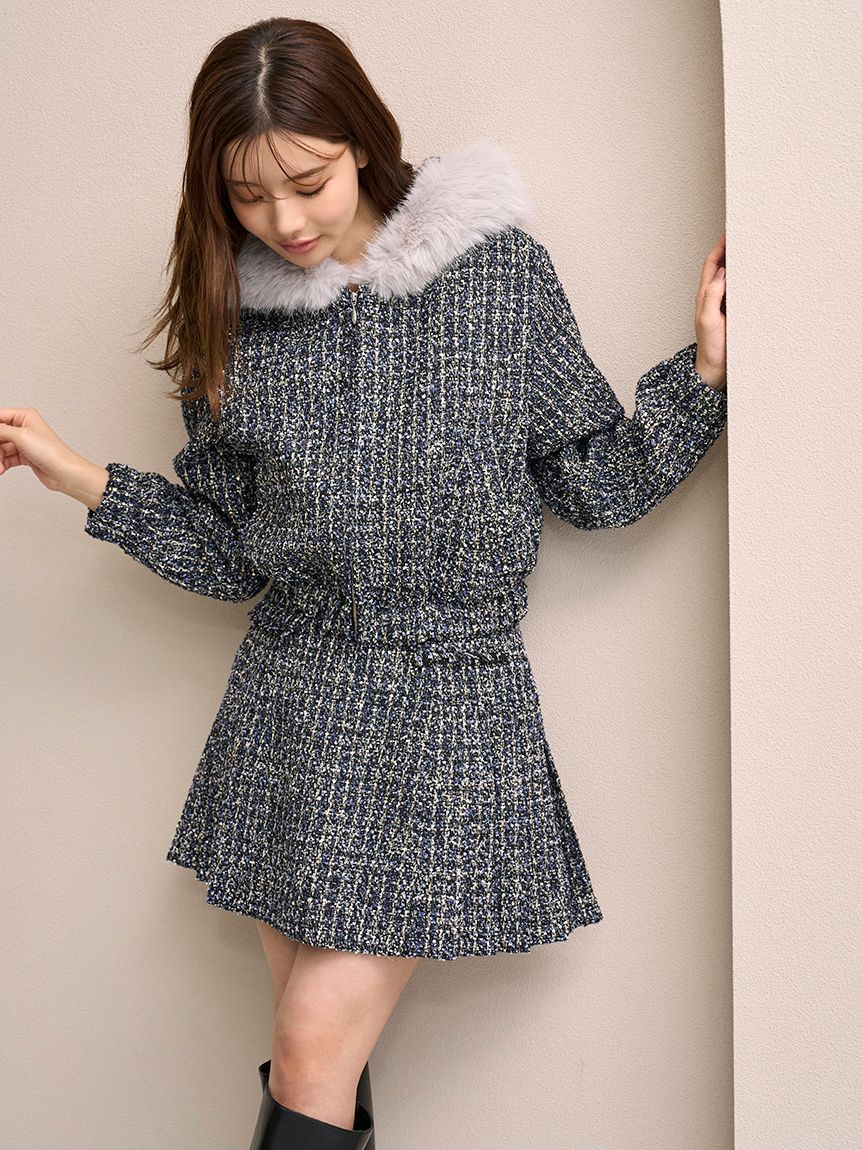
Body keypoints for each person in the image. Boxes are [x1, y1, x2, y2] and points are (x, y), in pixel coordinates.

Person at [0, 16, 728, 1150]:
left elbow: (593, 481)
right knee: (314, 1058)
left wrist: (703, 378)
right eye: (248, 197)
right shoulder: (234, 320)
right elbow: (231, 554)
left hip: (443, 702)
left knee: (310, 1044)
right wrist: (80, 477)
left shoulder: (495, 276)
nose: (285, 222)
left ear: (364, 141)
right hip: (290, 701)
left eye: (309, 181)